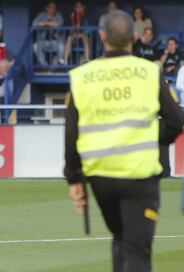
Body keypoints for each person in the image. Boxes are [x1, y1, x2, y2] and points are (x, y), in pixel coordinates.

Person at [65, 10, 184, 272]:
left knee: (120, 239)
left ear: (102, 36)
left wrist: (73, 178)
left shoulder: (83, 76)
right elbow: (177, 120)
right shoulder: (149, 72)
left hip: (100, 176)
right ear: (134, 36)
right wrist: (153, 138)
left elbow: (71, 132)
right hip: (139, 174)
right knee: (138, 252)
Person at [32, 1, 64, 66]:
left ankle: (54, 66)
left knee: (62, 47)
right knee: (35, 46)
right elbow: (34, 24)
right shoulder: (42, 15)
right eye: (51, 7)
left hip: (55, 41)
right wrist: (43, 23)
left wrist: (45, 23)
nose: (53, 9)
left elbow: (59, 24)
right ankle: (45, 65)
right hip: (43, 41)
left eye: (54, 8)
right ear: (47, 8)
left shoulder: (58, 15)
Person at [63, 1, 90, 65]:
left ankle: (87, 59)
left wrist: (82, 34)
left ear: (83, 8)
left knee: (85, 38)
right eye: (77, 7)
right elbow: (70, 29)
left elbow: (88, 31)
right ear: (75, 8)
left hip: (84, 38)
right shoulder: (72, 16)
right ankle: (65, 60)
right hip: (74, 38)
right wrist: (74, 34)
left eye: (80, 7)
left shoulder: (86, 18)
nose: (79, 8)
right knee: (69, 38)